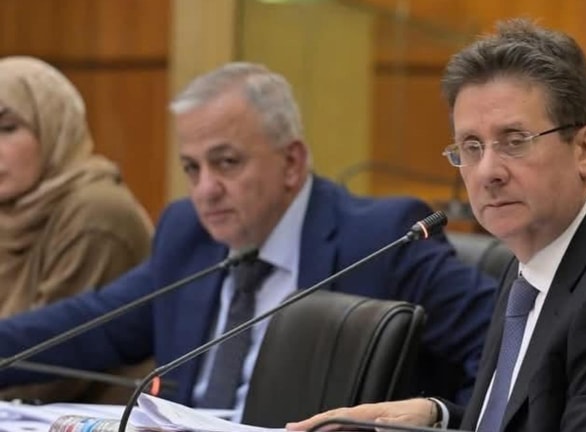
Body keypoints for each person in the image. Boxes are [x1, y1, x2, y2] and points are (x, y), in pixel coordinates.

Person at [286, 18, 586, 432]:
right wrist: (437, 418)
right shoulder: (535, 252)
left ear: (584, 149)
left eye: (514, 140)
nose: (487, 172)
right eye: (471, 146)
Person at [0, 62, 496, 419]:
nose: (205, 189)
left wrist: (441, 417)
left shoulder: (381, 239)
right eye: (192, 168)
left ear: (292, 162)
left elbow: (503, 343)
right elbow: (91, 325)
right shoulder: (189, 234)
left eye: (226, 163)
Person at [0, 56, 154, 403]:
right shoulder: (10, 208)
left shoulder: (96, 212)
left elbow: (53, 366)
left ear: (54, 127)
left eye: (7, 128)